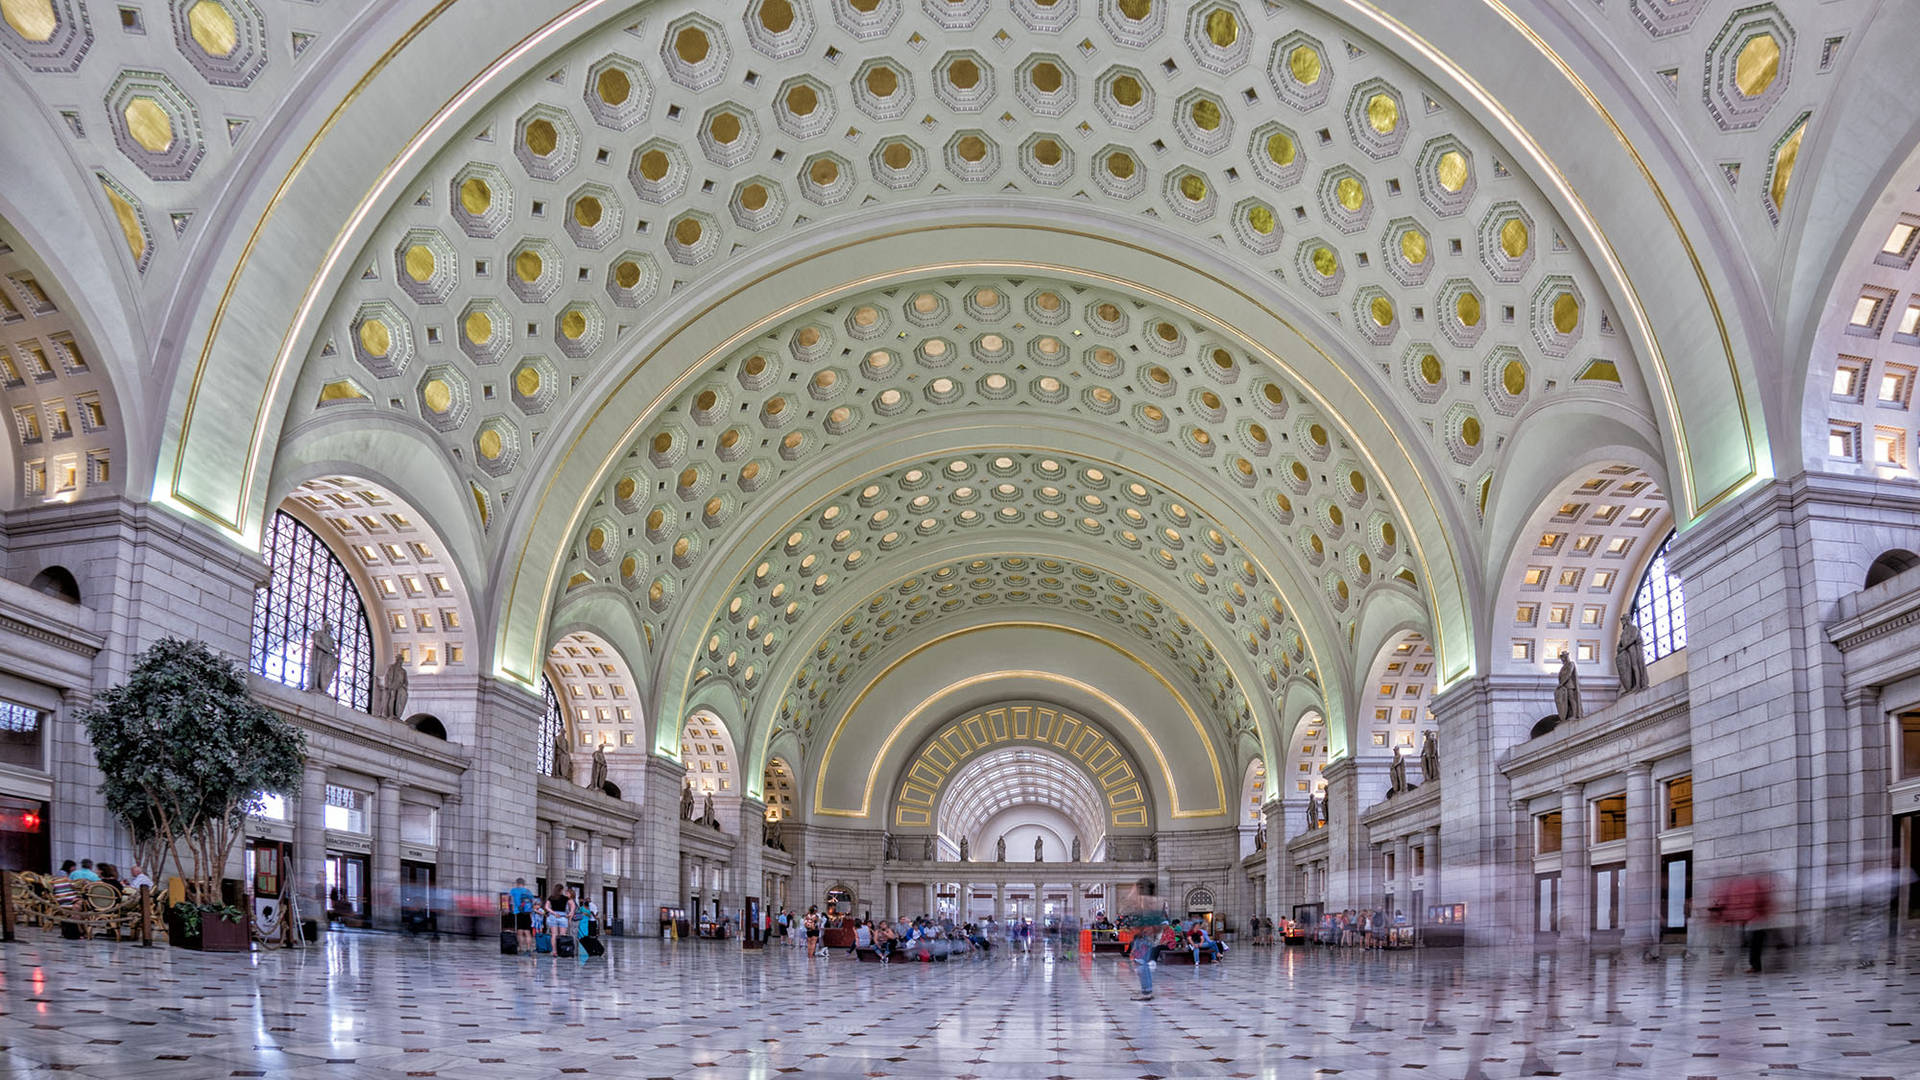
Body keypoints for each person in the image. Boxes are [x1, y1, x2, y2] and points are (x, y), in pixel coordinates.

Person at [1128, 914, 1156, 1001]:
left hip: (1143, 948)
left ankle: (1146, 993)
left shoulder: (1145, 929)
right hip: (1143, 945)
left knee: (1142, 968)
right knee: (1144, 968)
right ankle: (1147, 991)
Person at [508, 877, 537, 953]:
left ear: (517, 883)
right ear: (524, 884)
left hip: (518, 912)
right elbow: (533, 901)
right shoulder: (528, 891)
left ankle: (520, 947)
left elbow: (510, 901)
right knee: (527, 932)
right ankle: (528, 948)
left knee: (520, 931)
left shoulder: (513, 891)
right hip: (527, 913)